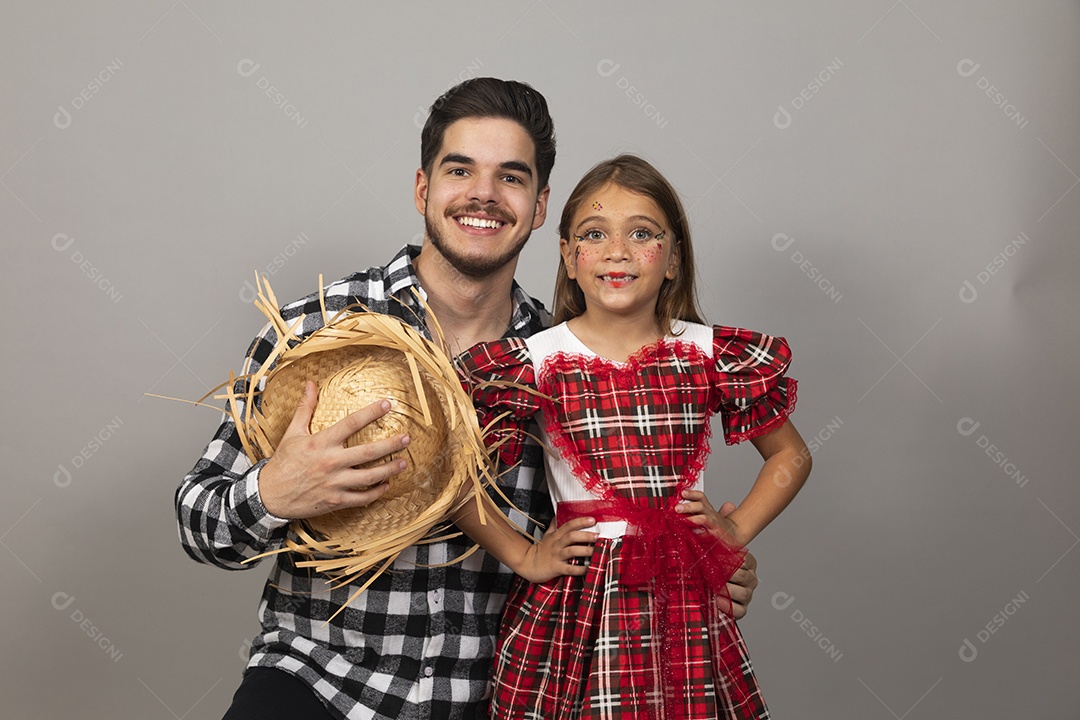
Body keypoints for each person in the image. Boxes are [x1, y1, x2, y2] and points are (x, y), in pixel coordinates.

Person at [176, 78, 760, 720]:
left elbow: (617, 530)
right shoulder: (317, 328)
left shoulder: (564, 363)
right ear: (424, 188)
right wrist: (274, 491)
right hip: (318, 680)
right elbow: (199, 526)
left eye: (510, 178)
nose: (483, 193)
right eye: (461, 170)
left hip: (498, 694)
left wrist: (700, 563)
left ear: (539, 208)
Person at [454, 154, 810, 719]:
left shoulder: (707, 354)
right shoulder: (535, 362)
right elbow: (454, 477)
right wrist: (524, 555)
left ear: (672, 258)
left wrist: (734, 529)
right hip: (576, 600)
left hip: (682, 593)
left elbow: (790, 455)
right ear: (570, 258)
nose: (617, 251)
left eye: (641, 234)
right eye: (595, 235)